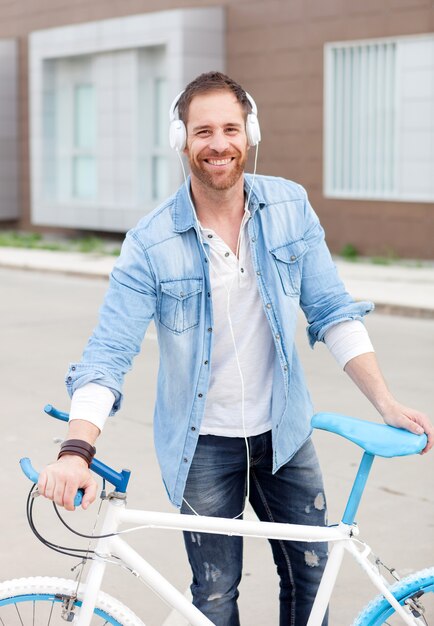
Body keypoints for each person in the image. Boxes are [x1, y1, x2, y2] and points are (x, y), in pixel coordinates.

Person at [38, 72, 433, 626]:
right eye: (203, 131)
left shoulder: (290, 207)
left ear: (250, 133)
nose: (218, 144)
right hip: (203, 447)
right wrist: (77, 449)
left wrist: (387, 403)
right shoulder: (150, 245)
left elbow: (333, 312)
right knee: (215, 597)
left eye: (230, 128)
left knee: (311, 581)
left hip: (285, 431)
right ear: (182, 141)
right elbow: (109, 352)